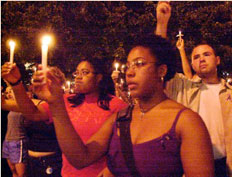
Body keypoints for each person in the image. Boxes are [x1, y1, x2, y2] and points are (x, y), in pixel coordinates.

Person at [32, 34, 214, 177]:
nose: (130, 72)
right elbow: (80, 157)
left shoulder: (187, 122)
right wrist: (56, 103)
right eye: (128, 66)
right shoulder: (121, 118)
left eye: (140, 64)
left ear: (162, 70)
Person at [2, 60, 127, 177]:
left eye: (85, 73)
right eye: (76, 73)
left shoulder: (117, 106)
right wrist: (16, 84)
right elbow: (33, 113)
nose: (78, 77)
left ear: (99, 77)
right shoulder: (67, 101)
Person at [154, 2, 232, 176]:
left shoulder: (229, 93)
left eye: (206, 54)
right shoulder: (185, 88)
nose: (201, 59)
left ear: (217, 60)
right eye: (196, 57)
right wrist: (162, 23)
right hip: (192, 167)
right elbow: (159, 61)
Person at [1, 64, 64, 177]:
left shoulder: (61, 105)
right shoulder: (36, 103)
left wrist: (16, 85)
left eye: (45, 77)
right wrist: (13, 83)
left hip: (51, 164)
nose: (39, 81)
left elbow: (32, 109)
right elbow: (9, 104)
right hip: (31, 162)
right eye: (37, 78)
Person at [2, 86, 28, 177]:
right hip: (7, 141)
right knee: (13, 170)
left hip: (18, 141)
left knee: (21, 173)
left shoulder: (22, 105)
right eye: (7, 92)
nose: (8, 94)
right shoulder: (10, 107)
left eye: (10, 91)